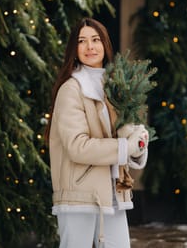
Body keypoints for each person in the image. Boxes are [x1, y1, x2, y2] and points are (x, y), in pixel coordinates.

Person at [45, 17, 149, 248]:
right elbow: (77, 147)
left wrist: (136, 141)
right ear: (74, 49)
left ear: (105, 44)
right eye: (82, 41)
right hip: (79, 194)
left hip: (113, 192)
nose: (90, 47)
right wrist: (124, 147)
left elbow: (120, 139)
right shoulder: (71, 89)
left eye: (95, 39)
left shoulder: (113, 87)